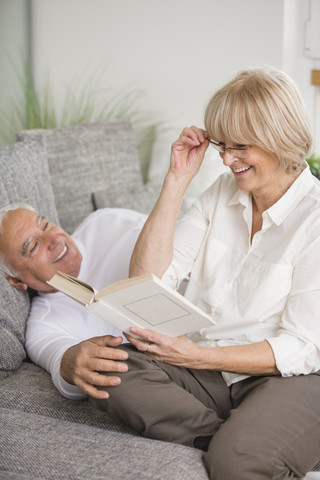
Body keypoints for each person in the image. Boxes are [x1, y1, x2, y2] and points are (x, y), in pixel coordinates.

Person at [90, 67, 320, 480]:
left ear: (281, 137)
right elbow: (147, 281)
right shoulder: (220, 193)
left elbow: (302, 346)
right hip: (210, 373)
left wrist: (197, 355)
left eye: (241, 147)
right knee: (112, 369)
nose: (227, 160)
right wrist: (177, 180)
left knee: (235, 464)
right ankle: (249, 440)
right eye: (222, 145)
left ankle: (248, 447)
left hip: (291, 377)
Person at [0, 203, 146, 399]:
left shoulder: (105, 221)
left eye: (45, 225)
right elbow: (63, 367)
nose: (54, 239)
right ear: (17, 281)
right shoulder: (44, 326)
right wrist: (70, 364)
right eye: (34, 246)